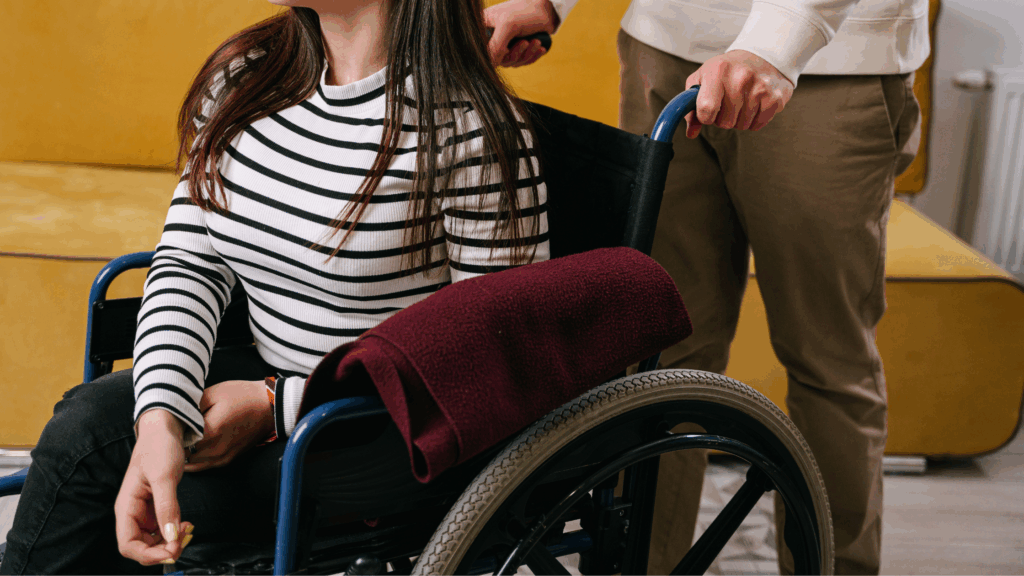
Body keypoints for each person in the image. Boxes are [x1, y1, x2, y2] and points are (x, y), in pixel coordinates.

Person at [0, 0, 548, 573]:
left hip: (382, 430)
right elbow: (192, 263)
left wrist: (277, 404)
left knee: (177, 491)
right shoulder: (247, 76)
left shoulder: (474, 128)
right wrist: (162, 411)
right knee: (90, 427)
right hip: (264, 377)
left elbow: (489, 359)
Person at [485, 0, 926, 573]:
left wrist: (776, 43)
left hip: (830, 63)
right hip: (666, 48)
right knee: (659, 357)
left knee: (827, 361)